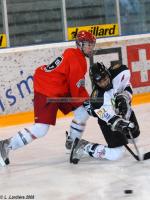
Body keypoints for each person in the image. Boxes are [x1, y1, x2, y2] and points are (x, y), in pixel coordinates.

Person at [0, 30, 96, 167]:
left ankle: (73, 142)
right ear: (80, 44)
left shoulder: (73, 54)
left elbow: (74, 86)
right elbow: (76, 89)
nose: (91, 47)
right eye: (88, 44)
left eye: (92, 44)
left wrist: (86, 102)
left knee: (82, 111)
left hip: (59, 88)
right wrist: (88, 102)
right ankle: (5, 145)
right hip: (47, 89)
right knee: (41, 129)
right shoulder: (77, 59)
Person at [70, 62, 140, 164]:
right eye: (100, 82)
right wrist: (125, 125)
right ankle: (84, 146)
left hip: (122, 111)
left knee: (134, 138)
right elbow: (113, 121)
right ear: (95, 82)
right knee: (116, 153)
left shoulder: (120, 72)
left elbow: (127, 85)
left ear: (108, 73)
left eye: (105, 78)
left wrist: (124, 97)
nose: (104, 83)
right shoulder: (97, 100)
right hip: (108, 121)